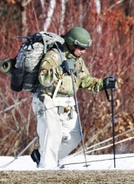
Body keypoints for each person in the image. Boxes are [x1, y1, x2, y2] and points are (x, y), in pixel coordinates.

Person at [32, 26, 115, 169]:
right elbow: (43, 79)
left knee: (75, 136)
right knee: (52, 135)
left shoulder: (77, 61)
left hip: (66, 105)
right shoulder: (54, 56)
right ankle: (46, 170)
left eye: (85, 48)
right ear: (71, 43)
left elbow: (84, 80)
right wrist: (61, 69)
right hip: (48, 101)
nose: (83, 51)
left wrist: (102, 84)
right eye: (81, 47)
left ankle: (43, 156)